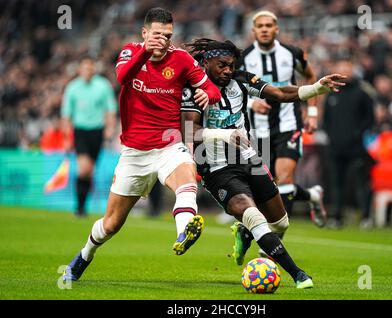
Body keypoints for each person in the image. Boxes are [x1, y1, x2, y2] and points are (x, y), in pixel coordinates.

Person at [63, 8, 222, 282]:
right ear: (145, 33)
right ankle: (84, 255)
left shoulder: (181, 60)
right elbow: (123, 77)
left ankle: (184, 232)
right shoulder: (129, 52)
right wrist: (145, 52)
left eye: (168, 36)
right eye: (158, 34)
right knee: (111, 224)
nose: (164, 40)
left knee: (187, 180)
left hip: (168, 146)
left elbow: (213, 89)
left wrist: (206, 94)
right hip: (134, 153)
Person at [180, 38, 346, 288]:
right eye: (222, 65)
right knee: (255, 216)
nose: (227, 70)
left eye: (231, 65)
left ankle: (244, 233)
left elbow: (279, 93)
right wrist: (226, 135)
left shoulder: (241, 79)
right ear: (206, 62)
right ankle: (298, 274)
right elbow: (189, 132)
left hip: (249, 159)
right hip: (216, 167)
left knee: (281, 222)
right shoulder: (192, 89)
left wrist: (315, 89)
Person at [237, 10, 327, 230]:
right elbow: (234, 88)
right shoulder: (243, 58)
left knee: (284, 179)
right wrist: (251, 104)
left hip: (289, 124)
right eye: (260, 26)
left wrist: (312, 113)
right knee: (266, 187)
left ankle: (276, 236)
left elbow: (311, 78)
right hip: (258, 131)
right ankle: (313, 196)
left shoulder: (292, 53)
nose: (265, 29)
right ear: (254, 31)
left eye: (269, 25)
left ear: (276, 29)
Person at [322, 58, 376, 229]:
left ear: (353, 70)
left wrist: (356, 134)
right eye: (341, 67)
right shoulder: (331, 93)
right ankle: (337, 217)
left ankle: (366, 217)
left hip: (356, 146)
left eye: (347, 68)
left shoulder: (362, 92)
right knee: (336, 184)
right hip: (335, 147)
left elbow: (370, 118)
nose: (344, 71)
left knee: (362, 182)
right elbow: (326, 120)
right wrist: (331, 136)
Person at [61, 57, 117, 217]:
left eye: (90, 68)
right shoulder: (73, 87)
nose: (87, 71)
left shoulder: (102, 85)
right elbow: (66, 115)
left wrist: (109, 128)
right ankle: (79, 207)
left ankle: (82, 207)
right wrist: (66, 137)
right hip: (80, 131)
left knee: (89, 171)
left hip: (97, 132)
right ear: (80, 70)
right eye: (84, 68)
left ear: (93, 69)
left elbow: (110, 109)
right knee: (83, 169)